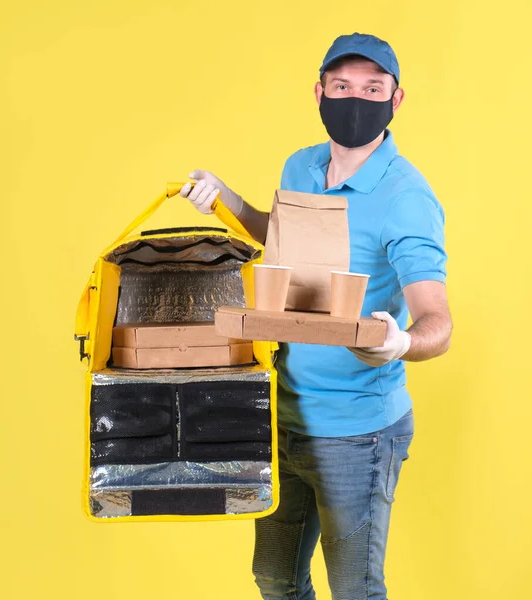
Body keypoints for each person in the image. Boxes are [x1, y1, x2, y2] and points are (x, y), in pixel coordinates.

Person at [180, 32, 452, 600]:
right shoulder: (300, 166)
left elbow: (436, 320)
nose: (356, 99)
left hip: (357, 432)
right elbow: (281, 242)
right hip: (281, 413)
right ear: (320, 92)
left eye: (372, 88)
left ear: (395, 100)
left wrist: (398, 342)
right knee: (275, 580)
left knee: (354, 590)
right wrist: (223, 195)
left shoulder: (407, 197)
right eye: (343, 86)